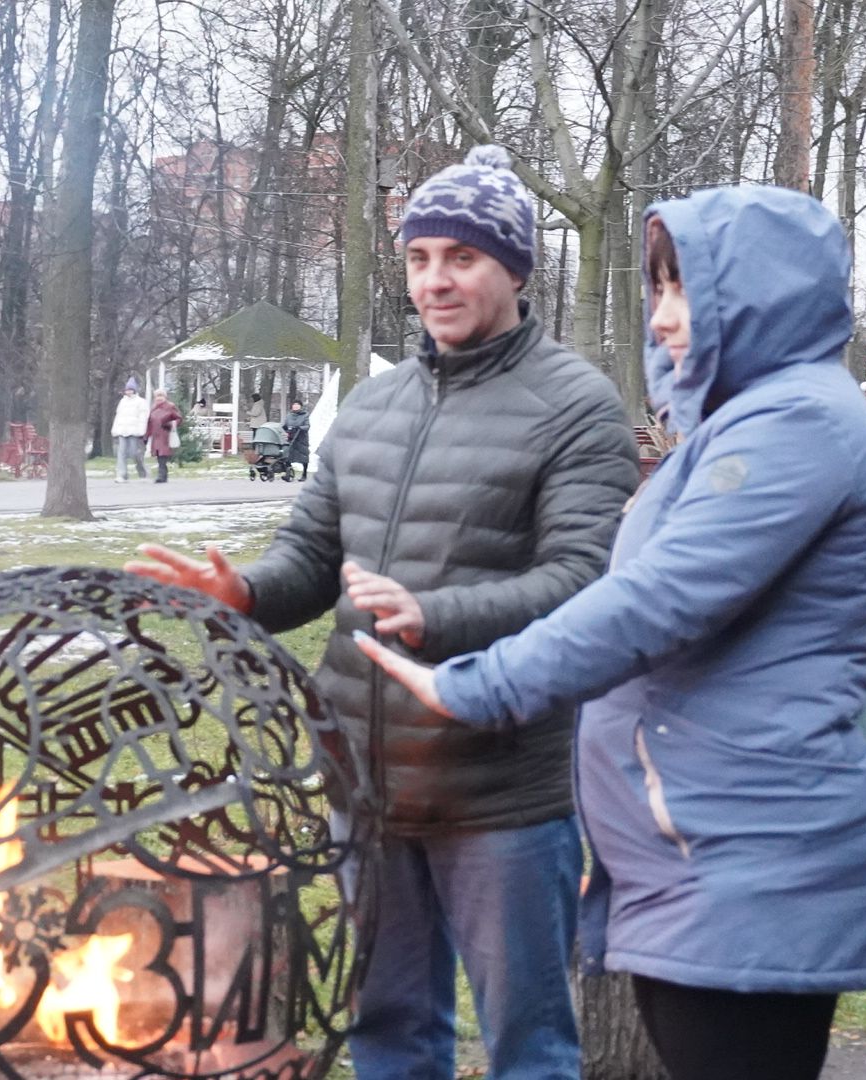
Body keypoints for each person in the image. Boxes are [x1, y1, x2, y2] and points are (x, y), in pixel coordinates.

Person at [356, 186, 866, 1080]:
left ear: (761, 295)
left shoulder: (797, 424)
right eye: (657, 290)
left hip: (754, 854)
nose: (666, 319)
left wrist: (479, 683)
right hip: (703, 848)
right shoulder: (738, 425)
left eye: (688, 290)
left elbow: (657, 598)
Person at [128, 144, 638, 1080]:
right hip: (362, 781)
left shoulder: (577, 406)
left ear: (514, 268)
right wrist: (239, 594)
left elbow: (588, 583)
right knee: (386, 1030)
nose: (435, 281)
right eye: (418, 258)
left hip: (501, 793)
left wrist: (433, 614)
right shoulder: (370, 407)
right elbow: (312, 562)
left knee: (529, 1042)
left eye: (462, 258)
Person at [111, 377, 149, 483]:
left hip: (134, 431)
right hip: (122, 430)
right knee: (121, 452)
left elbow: (143, 417)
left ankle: (142, 471)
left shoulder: (141, 402)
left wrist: (141, 431)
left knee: (134, 453)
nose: (128, 392)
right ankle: (122, 474)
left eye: (130, 389)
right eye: (127, 390)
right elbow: (118, 416)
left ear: (134, 390)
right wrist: (115, 429)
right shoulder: (122, 402)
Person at [145, 388, 182, 484]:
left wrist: (170, 424)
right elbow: (149, 423)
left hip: (165, 434)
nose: (159, 398)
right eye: (157, 396)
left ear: (165, 397)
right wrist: (146, 436)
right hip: (155, 435)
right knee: (158, 455)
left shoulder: (170, 406)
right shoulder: (153, 408)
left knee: (162, 455)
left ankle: (161, 475)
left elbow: (178, 418)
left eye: (161, 396)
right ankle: (163, 475)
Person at [281, 399, 310, 481]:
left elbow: (307, 426)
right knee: (287, 456)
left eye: (297, 405)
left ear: (300, 406)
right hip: (291, 437)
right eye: (294, 404)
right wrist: (285, 429)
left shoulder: (305, 415)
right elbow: (285, 425)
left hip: (301, 438)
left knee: (303, 457)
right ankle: (288, 473)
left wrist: (300, 428)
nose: (295, 406)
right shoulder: (289, 415)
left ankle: (304, 475)